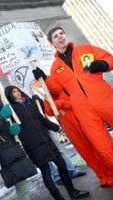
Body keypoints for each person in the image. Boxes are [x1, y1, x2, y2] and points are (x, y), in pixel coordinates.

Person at [32, 26, 113, 187]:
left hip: (105, 98)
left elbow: (109, 58)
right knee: (102, 147)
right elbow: (55, 88)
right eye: (56, 36)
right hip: (83, 110)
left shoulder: (85, 49)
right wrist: (44, 78)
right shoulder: (55, 67)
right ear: (51, 43)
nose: (60, 37)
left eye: (62, 33)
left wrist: (103, 64)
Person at [4, 85, 89, 200]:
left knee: (62, 165)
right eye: (14, 91)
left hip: (46, 140)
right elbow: (10, 128)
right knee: (46, 172)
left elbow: (42, 119)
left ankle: (72, 192)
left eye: (17, 90)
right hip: (33, 146)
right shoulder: (11, 111)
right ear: (9, 95)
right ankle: (59, 198)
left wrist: (57, 128)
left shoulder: (29, 103)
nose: (17, 92)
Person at [31, 95, 86, 185]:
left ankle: (71, 170)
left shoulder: (32, 100)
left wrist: (39, 101)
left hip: (46, 128)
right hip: (35, 135)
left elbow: (43, 113)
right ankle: (56, 176)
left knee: (59, 151)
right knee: (46, 157)